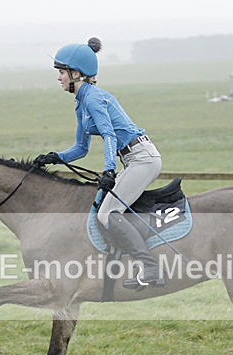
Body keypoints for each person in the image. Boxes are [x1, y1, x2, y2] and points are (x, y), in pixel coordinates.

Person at [34, 37, 164, 289]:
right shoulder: (81, 103)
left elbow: (109, 135)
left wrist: (109, 170)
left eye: (61, 72)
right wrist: (54, 158)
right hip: (133, 159)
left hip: (142, 158)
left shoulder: (93, 98)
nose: (58, 78)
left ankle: (150, 268)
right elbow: (81, 149)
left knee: (108, 213)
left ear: (76, 74)